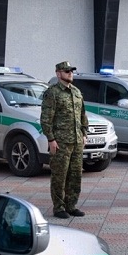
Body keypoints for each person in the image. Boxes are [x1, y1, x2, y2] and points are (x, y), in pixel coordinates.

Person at [41, 61, 88, 219]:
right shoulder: (52, 93)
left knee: (75, 175)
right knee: (59, 176)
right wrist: (51, 139)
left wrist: (84, 133)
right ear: (58, 73)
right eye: (67, 71)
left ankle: (71, 205)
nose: (70, 73)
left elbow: (83, 115)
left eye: (71, 71)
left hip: (77, 141)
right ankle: (59, 207)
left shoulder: (76, 91)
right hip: (61, 142)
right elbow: (46, 119)